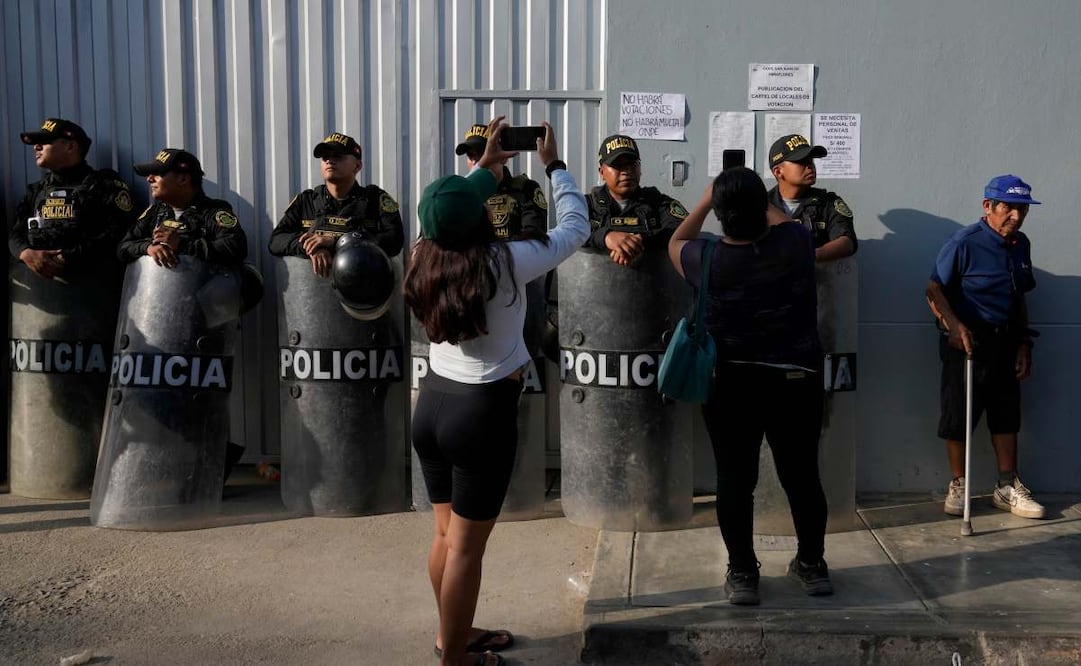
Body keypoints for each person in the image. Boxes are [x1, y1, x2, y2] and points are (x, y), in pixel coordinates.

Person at [405, 117, 588, 666]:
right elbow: (575, 228)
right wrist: (553, 165)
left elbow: (451, 209)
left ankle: (450, 636)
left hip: (432, 404)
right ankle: (455, 660)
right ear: (479, 215)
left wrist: (487, 166)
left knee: (444, 537)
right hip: (480, 415)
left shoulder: (421, 255)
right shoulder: (505, 261)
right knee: (465, 549)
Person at [667, 167, 832, 606]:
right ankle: (812, 566)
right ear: (763, 206)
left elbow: (675, 241)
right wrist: (759, 199)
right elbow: (787, 223)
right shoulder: (795, 245)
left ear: (721, 215)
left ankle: (743, 574)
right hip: (796, 381)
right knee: (801, 475)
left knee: (735, 480)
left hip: (731, 385)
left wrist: (705, 200)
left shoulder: (707, 259)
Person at [925, 175, 1044, 520]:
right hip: (966, 341)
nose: (1016, 217)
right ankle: (959, 484)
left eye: (1022, 209)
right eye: (1008, 208)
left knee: (1007, 415)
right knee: (958, 415)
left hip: (1005, 339)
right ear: (988, 206)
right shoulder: (964, 242)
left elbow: (1019, 295)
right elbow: (934, 290)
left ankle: (1007, 486)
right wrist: (953, 325)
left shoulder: (1020, 244)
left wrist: (1024, 343)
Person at [10, 118, 135, 278]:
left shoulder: (104, 186)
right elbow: (15, 234)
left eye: (44, 142)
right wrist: (26, 253)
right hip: (39, 297)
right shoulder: (35, 190)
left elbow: (120, 233)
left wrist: (69, 256)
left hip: (91, 292)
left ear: (70, 146)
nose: (36, 147)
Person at [268, 132, 404, 275]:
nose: (329, 161)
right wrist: (311, 247)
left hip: (363, 292)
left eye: (338, 156)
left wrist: (336, 242)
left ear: (357, 166)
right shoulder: (306, 201)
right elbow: (276, 240)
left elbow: (394, 241)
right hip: (312, 293)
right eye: (325, 157)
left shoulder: (375, 200)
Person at [119, 148, 247, 266]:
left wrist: (182, 245)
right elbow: (123, 247)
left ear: (183, 179)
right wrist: (147, 247)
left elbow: (236, 247)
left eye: (158, 174)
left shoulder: (214, 211)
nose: (149, 179)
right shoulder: (154, 212)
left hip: (202, 290)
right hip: (157, 289)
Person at [584, 134, 687, 265]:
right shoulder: (587, 205)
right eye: (618, 165)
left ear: (640, 168)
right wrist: (605, 237)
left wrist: (640, 241)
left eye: (632, 164)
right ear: (602, 172)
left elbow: (685, 229)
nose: (626, 171)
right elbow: (567, 233)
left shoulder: (657, 203)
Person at [767, 134, 857, 262]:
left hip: (818, 279)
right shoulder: (762, 205)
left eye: (810, 160)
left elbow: (847, 242)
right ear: (778, 171)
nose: (810, 166)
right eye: (801, 161)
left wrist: (811, 255)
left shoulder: (827, 202)